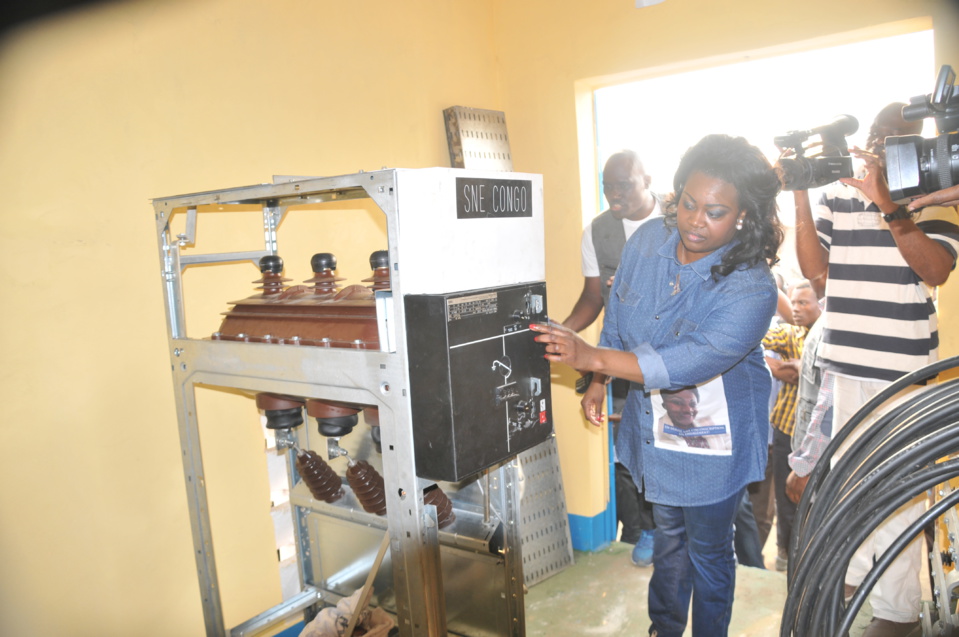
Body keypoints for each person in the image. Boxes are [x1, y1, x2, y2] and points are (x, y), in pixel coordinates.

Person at [532, 133, 783, 637]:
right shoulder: (648, 241)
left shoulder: (752, 286)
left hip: (714, 438)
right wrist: (599, 378)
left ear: (744, 217)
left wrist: (590, 356)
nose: (695, 220)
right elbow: (620, 313)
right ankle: (663, 629)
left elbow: (688, 362)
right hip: (655, 426)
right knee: (668, 537)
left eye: (714, 212)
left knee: (710, 552)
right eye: (688, 203)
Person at [793, 101, 959, 637]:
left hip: (903, 374)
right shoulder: (839, 194)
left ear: (919, 144)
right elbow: (814, 271)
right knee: (850, 482)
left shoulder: (933, 196)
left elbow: (934, 270)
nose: (883, 145)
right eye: (877, 135)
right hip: (845, 363)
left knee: (900, 490)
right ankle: (859, 575)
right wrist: (800, 189)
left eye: (898, 137)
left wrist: (889, 205)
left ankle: (897, 609)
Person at [561, 150, 662, 567]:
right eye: (608, 186)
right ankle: (645, 530)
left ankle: (676, 533)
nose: (615, 194)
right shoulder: (598, 232)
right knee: (629, 451)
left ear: (647, 180)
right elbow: (594, 298)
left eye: (625, 184)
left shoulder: (677, 223)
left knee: (672, 447)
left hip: (669, 355)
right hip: (619, 354)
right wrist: (563, 333)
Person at [761, 280, 821, 573]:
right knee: (786, 499)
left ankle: (811, 555)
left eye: (803, 303)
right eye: (793, 303)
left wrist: (803, 366)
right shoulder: (788, 333)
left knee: (815, 498)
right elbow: (751, 339)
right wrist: (776, 368)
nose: (796, 309)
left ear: (820, 304)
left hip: (819, 434)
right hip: (786, 429)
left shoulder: (827, 339)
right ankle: (786, 551)